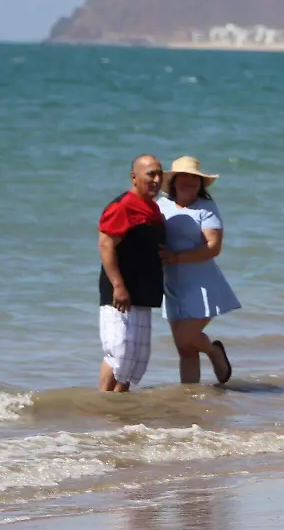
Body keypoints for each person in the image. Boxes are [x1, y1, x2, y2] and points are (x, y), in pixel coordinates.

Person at [157, 156, 239, 385]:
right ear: (173, 181)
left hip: (203, 283)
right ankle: (190, 401)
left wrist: (176, 257)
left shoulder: (207, 208)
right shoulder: (160, 206)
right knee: (184, 350)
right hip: (171, 284)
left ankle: (214, 351)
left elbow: (213, 247)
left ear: (201, 183)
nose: (189, 181)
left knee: (187, 337)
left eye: (195, 178)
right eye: (184, 176)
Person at [97, 154, 166, 392]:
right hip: (120, 293)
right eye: (151, 174)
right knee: (118, 353)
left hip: (143, 292)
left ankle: (118, 416)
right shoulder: (123, 206)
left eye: (160, 174)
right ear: (134, 178)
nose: (157, 179)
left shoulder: (153, 208)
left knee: (135, 361)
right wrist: (118, 285)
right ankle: (103, 407)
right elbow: (106, 245)